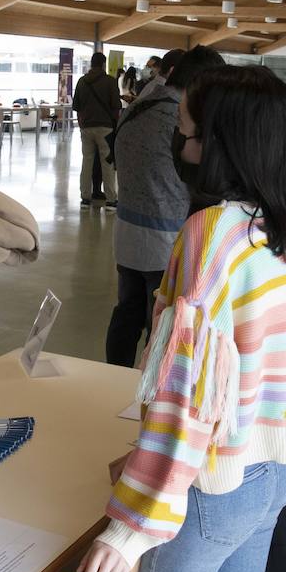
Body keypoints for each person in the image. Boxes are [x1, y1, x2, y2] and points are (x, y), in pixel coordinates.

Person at [78, 64, 286, 572]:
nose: (179, 147)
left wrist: (129, 530)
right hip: (274, 472)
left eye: (187, 135)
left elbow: (186, 397)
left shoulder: (211, 235)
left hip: (217, 486)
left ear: (221, 145)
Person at [104, 45, 221, 367]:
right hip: (164, 238)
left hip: (127, 232)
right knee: (160, 322)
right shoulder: (180, 118)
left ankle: (113, 377)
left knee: (126, 312)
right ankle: (147, 386)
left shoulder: (139, 105)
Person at [73, 51, 120, 209]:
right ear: (103, 64)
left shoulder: (82, 81)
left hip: (86, 127)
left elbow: (77, 106)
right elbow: (116, 106)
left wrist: (82, 124)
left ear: (91, 64)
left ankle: (85, 198)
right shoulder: (110, 81)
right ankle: (110, 200)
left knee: (87, 162)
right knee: (107, 163)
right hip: (105, 128)